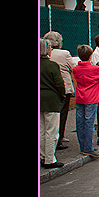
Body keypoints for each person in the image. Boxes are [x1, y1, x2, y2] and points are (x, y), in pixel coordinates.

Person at [72, 44, 99, 157]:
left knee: (80, 122)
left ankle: (83, 146)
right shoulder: (95, 69)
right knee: (89, 123)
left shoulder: (76, 69)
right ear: (91, 56)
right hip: (91, 98)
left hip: (80, 97)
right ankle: (88, 147)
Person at [44, 31, 75, 150]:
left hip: (48, 88)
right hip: (64, 87)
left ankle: (48, 141)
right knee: (62, 115)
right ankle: (59, 139)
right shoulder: (64, 53)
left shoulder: (45, 54)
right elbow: (73, 68)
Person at [40, 38, 66, 169]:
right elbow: (59, 84)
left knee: (41, 130)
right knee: (52, 131)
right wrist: (62, 96)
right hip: (51, 101)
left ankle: (43, 156)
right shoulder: (52, 65)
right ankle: (50, 159)